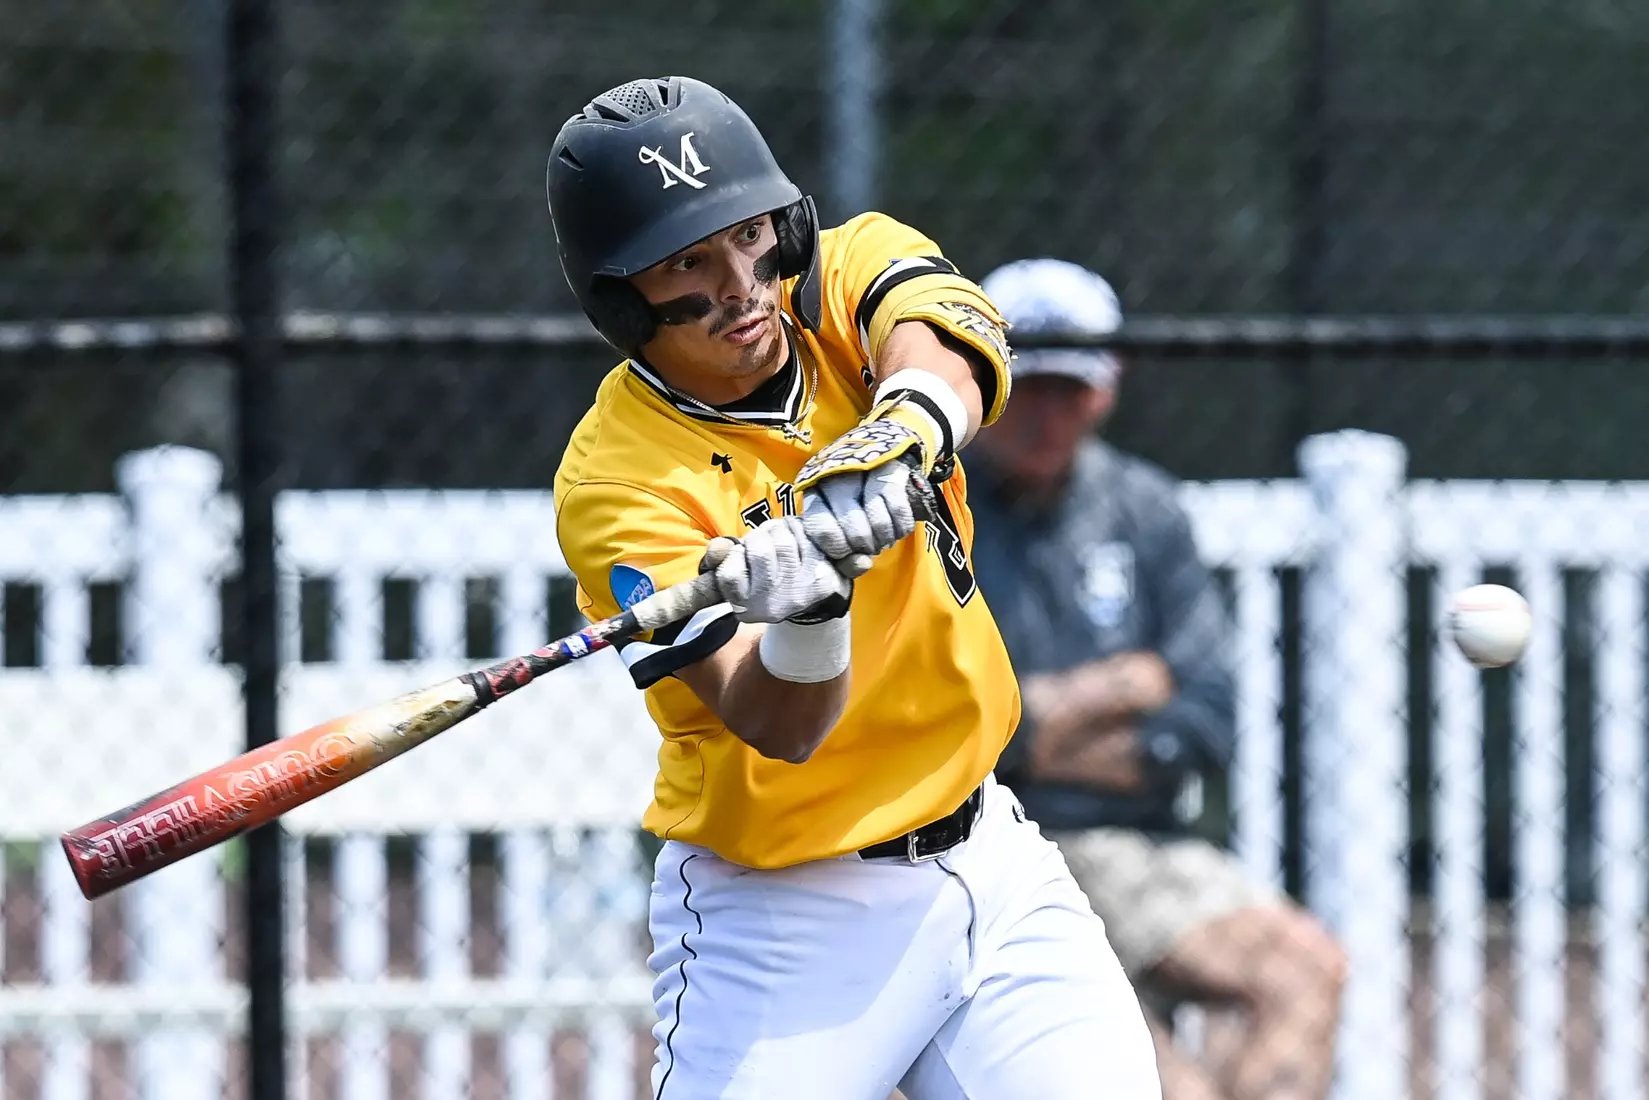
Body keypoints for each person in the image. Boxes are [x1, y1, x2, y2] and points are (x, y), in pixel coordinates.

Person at [544, 78, 1161, 1100]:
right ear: (622, 297)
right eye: (687, 262)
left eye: (746, 235)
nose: (740, 285)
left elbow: (952, 341)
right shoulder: (617, 483)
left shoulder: (838, 279)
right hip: (784, 917)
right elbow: (776, 722)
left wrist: (896, 432)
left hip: (990, 863)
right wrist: (809, 607)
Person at [966, 258, 1348, 1100]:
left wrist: (1031, 726)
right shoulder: (930, 507)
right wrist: (1114, 691)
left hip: (1140, 846)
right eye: (1028, 388)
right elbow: (953, 737)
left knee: (1307, 969)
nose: (1047, 414)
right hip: (987, 853)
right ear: (983, 384)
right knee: (1162, 1083)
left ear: (1106, 390)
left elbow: (1205, 719)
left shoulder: (1144, 509)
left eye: (1070, 390)